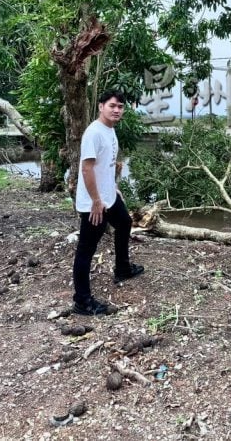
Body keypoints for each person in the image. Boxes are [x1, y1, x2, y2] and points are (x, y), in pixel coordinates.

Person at [72, 90, 144, 316]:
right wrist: (95, 201)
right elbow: (87, 168)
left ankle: (122, 268)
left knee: (124, 222)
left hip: (108, 197)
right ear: (101, 106)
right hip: (94, 203)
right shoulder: (93, 133)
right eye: (112, 105)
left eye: (120, 107)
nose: (116, 110)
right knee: (86, 250)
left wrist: (113, 187)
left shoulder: (110, 130)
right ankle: (82, 301)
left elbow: (107, 165)